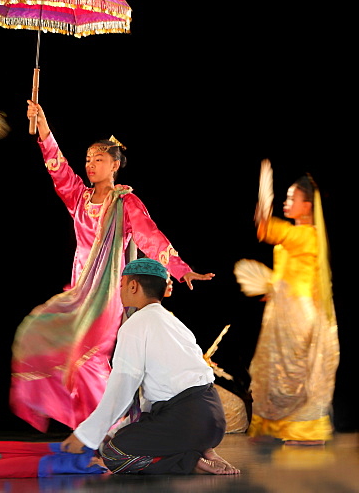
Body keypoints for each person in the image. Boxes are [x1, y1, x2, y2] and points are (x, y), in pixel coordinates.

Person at [11, 100, 214, 432]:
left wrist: (180, 268)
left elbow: (151, 236)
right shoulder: (78, 198)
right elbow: (58, 167)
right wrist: (44, 127)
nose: (90, 164)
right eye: (89, 159)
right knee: (51, 343)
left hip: (107, 293)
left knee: (90, 358)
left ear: (115, 164)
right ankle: (95, 427)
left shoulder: (124, 202)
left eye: (99, 159)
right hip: (79, 288)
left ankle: (110, 426)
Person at [60, 258, 238, 475]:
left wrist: (84, 437)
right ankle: (199, 447)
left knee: (114, 454)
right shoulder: (173, 322)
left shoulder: (136, 325)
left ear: (133, 286)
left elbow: (121, 390)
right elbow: (153, 400)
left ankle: (191, 460)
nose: (121, 290)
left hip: (187, 419)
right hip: (213, 420)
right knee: (116, 439)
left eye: (122, 285)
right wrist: (111, 431)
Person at [241, 161, 339, 444]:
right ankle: (277, 428)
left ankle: (304, 431)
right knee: (273, 372)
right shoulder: (296, 239)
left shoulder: (306, 235)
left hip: (299, 316)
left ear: (308, 206)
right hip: (284, 313)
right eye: (285, 198)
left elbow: (266, 228)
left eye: (292, 199)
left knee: (294, 375)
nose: (286, 203)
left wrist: (264, 193)